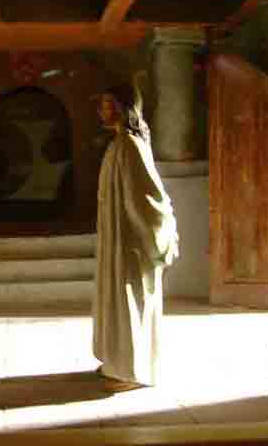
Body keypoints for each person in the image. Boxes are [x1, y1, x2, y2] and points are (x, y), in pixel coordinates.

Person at [93, 77, 179, 390]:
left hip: (131, 242)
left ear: (125, 107)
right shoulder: (118, 145)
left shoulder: (130, 146)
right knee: (122, 302)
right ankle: (120, 362)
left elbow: (148, 198)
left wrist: (159, 236)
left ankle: (132, 371)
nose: (103, 111)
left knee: (131, 301)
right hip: (119, 238)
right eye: (102, 105)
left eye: (109, 105)